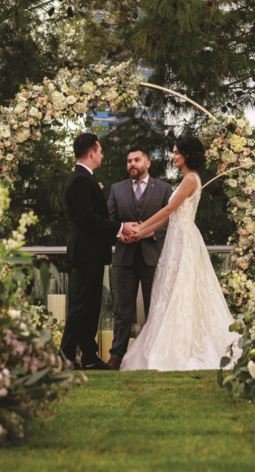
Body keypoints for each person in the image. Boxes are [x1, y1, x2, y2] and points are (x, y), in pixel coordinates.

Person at [120, 136, 240, 371]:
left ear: (187, 154)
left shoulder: (191, 179)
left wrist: (140, 227)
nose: (173, 156)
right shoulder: (187, 178)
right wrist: (141, 232)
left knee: (183, 290)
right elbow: (167, 217)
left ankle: (185, 347)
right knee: (171, 290)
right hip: (177, 239)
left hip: (184, 240)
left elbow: (167, 208)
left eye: (176, 152)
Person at [60, 133, 138, 370]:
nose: (102, 155)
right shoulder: (81, 180)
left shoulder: (84, 178)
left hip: (90, 252)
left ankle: (90, 357)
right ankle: (64, 357)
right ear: (92, 153)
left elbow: (92, 219)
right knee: (83, 305)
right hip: (86, 252)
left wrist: (116, 233)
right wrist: (121, 227)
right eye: (100, 151)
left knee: (91, 305)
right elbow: (88, 220)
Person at [106, 147, 172, 370]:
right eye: (128, 161)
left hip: (153, 258)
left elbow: (172, 222)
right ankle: (116, 356)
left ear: (148, 163)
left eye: (136, 160)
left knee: (155, 308)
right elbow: (110, 221)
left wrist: (153, 232)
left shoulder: (164, 189)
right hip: (124, 259)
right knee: (122, 310)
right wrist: (120, 235)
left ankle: (156, 354)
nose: (131, 164)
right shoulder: (116, 189)